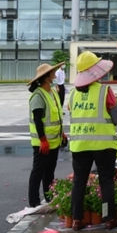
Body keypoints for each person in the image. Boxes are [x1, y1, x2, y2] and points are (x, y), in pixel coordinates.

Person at [68, 51, 117, 231]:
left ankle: (76, 219)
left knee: (79, 183)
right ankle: (108, 217)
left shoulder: (72, 95)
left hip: (80, 145)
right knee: (106, 181)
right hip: (103, 145)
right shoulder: (105, 91)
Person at [27, 61, 66, 208]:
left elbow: (56, 116)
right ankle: (34, 202)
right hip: (42, 143)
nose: (55, 73)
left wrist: (62, 133)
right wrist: (43, 140)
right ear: (46, 76)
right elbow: (38, 120)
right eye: (52, 72)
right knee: (38, 171)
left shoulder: (53, 92)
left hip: (54, 141)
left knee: (49, 172)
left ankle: (49, 198)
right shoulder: (38, 96)